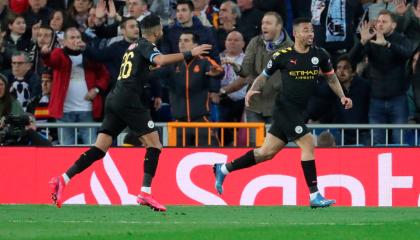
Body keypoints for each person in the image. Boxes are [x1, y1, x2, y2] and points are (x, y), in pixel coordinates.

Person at [49, 14, 212, 211]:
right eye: (160, 27)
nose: (162, 30)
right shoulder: (146, 45)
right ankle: (145, 192)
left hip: (115, 97)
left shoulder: (132, 47)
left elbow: (150, 67)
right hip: (128, 100)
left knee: (100, 148)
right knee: (155, 145)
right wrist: (190, 53)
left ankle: (63, 178)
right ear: (156, 30)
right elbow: (159, 59)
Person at [213, 18, 353, 208]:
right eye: (306, 30)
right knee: (308, 143)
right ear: (296, 34)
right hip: (284, 109)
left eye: (311, 31)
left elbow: (331, 79)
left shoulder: (320, 55)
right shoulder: (283, 55)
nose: (310, 34)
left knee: (265, 153)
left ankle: (223, 169)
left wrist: (342, 96)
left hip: (298, 111)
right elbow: (263, 76)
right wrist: (252, 91)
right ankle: (314, 195)